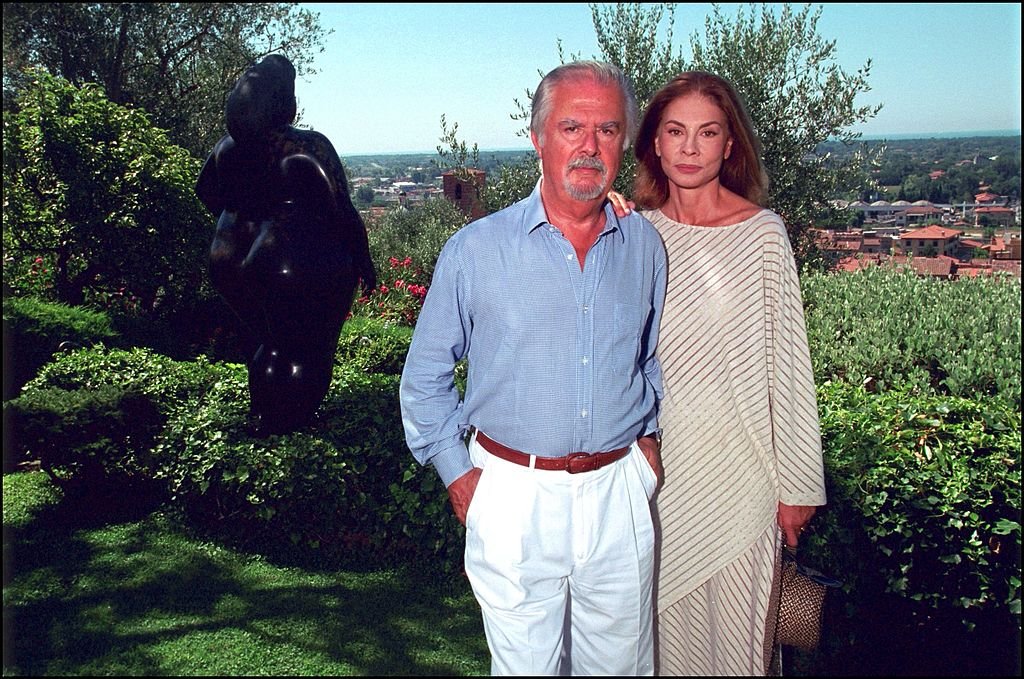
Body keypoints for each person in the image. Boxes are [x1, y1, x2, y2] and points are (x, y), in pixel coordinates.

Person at [400, 61, 667, 676]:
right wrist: (456, 473)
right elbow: (424, 378)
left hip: (618, 493)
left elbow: (649, 357)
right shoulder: (476, 250)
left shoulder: (644, 246)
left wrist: (647, 449)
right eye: (572, 126)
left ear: (623, 142)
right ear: (538, 135)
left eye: (607, 130)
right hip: (511, 494)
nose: (589, 146)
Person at [609, 70, 827, 675]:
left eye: (707, 133)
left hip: (744, 480)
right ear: (653, 142)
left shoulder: (763, 235)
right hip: (655, 481)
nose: (689, 147)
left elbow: (788, 367)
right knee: (654, 649)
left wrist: (799, 487)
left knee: (737, 653)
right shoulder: (632, 234)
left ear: (730, 145)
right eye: (675, 131)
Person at [196, 54, 376, 435]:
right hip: (286, 257)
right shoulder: (306, 146)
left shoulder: (225, 148)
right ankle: (291, 429)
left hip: (228, 256)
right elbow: (341, 207)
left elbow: (205, 192)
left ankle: (264, 417)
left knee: (266, 342)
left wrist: (244, 215)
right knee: (306, 350)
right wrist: (364, 262)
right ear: (287, 105)